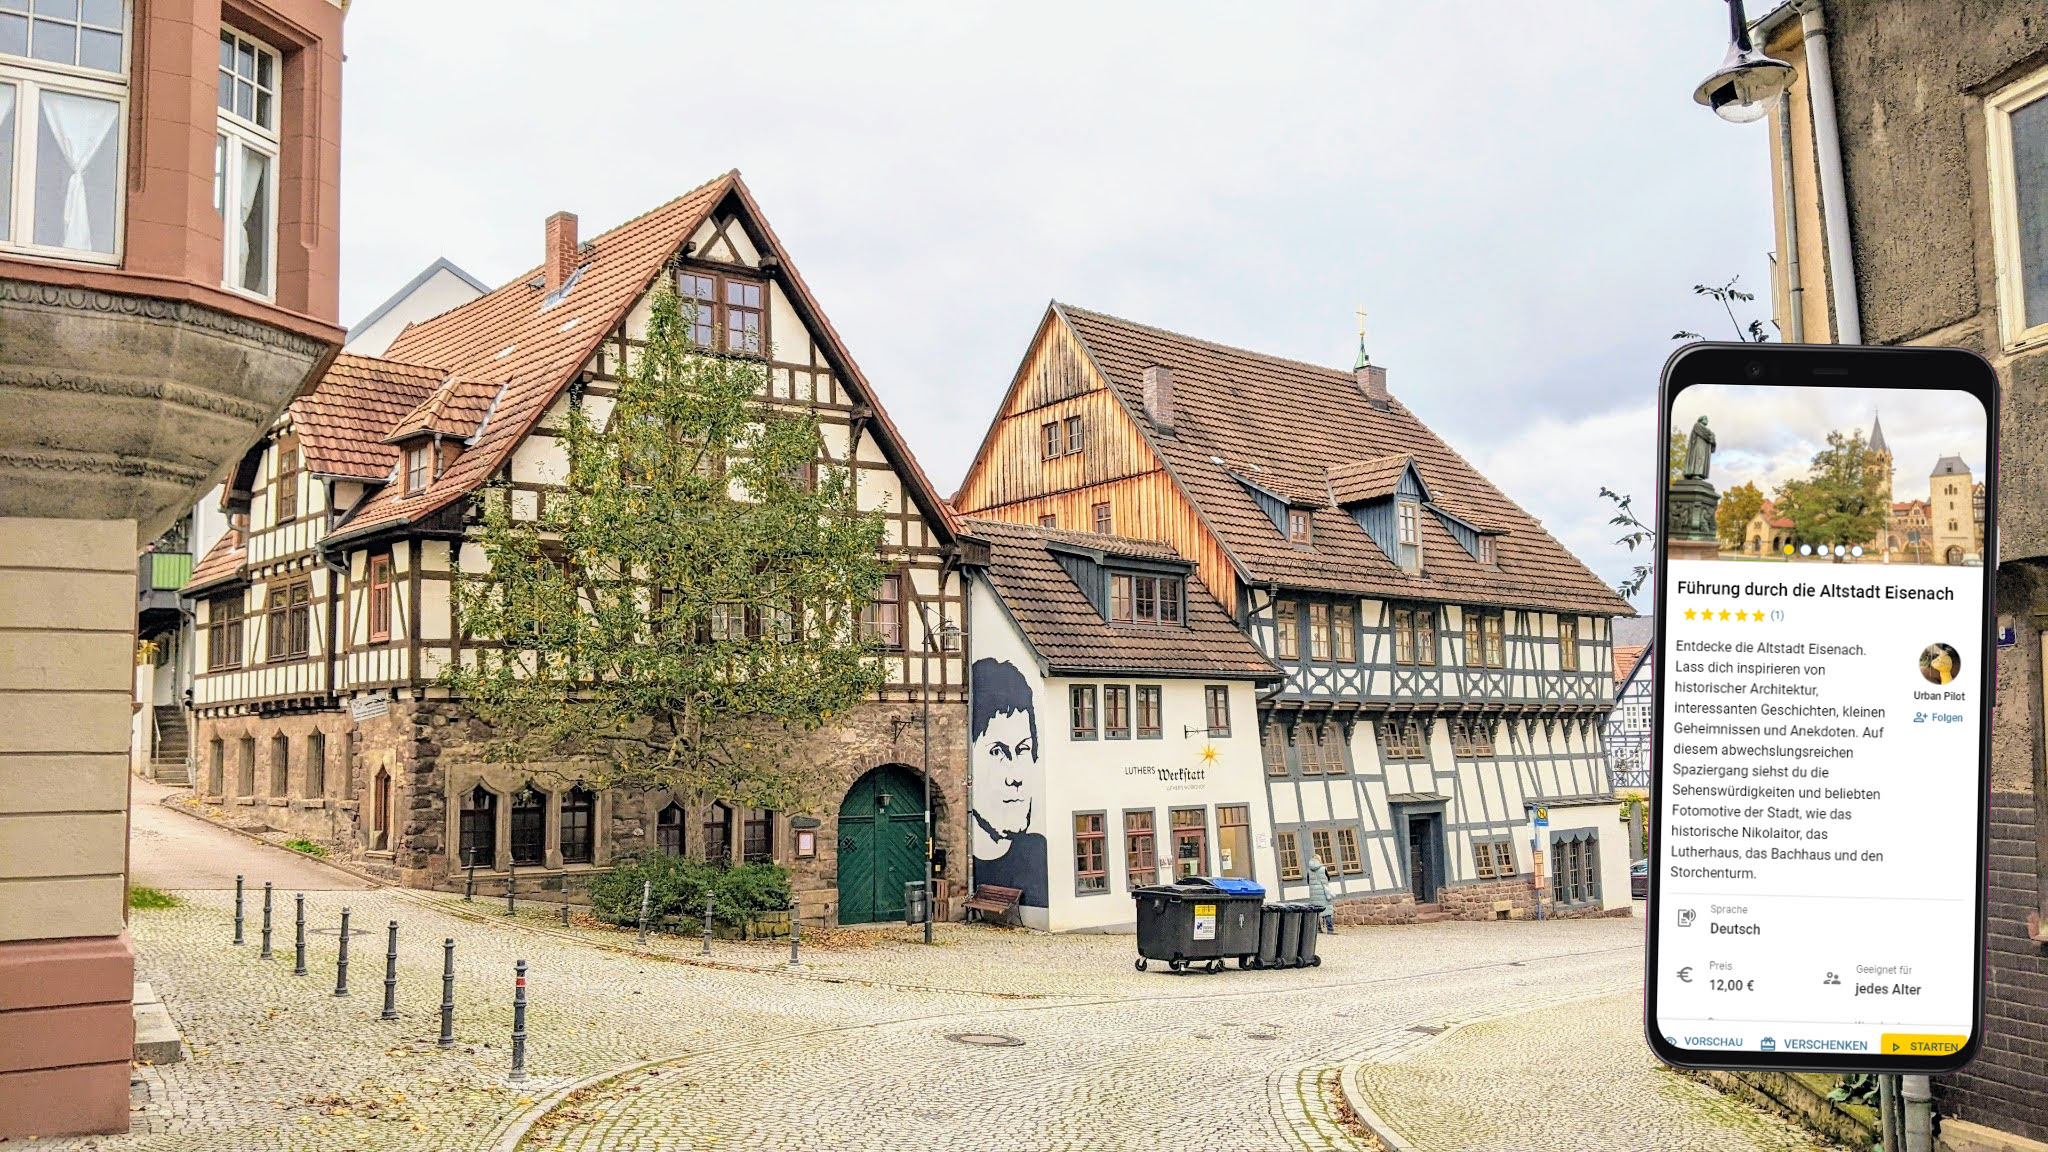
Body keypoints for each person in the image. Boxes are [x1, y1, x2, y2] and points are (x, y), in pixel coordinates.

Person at [969, 657, 1049, 909]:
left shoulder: (1038, 850)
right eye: (997, 752)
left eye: (1023, 749)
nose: (1015, 776)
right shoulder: (965, 856)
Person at [1306, 853, 1335, 933]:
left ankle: (1318, 929)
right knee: (1327, 910)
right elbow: (1328, 878)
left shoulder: (1309, 871)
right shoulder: (1323, 868)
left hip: (1313, 894)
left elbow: (1308, 881)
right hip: (1323, 892)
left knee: (1317, 911)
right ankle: (1330, 929)